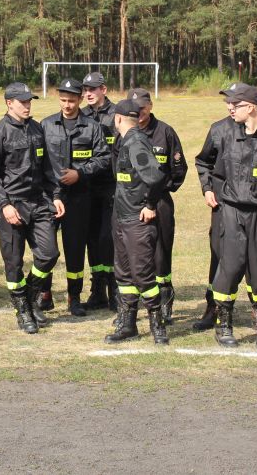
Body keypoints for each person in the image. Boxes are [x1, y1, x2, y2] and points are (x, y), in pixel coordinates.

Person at [195, 83, 257, 349]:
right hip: (231, 212)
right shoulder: (225, 134)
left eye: (236, 104)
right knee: (228, 267)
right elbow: (210, 166)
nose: (230, 108)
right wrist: (210, 190)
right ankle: (223, 325)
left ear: (250, 107)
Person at [0, 83, 66, 334]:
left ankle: (30, 296)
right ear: (9, 103)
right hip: (12, 205)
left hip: (38, 202)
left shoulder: (37, 129)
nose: (27, 106)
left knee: (49, 254)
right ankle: (23, 311)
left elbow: (48, 167)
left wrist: (56, 196)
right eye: (23, 102)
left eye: (29, 101)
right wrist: (4, 204)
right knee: (14, 262)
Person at [40, 78, 111, 315]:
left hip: (79, 197)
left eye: (71, 101)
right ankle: (44, 294)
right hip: (49, 197)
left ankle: (74, 297)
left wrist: (80, 173)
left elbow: (103, 158)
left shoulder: (92, 127)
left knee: (75, 249)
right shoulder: (46, 125)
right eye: (63, 100)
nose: (67, 105)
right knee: (45, 248)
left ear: (80, 99)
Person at [104, 98, 169, 344]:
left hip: (136, 220)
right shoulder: (124, 141)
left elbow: (155, 177)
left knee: (142, 275)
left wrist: (150, 205)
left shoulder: (136, 143)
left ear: (118, 118)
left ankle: (157, 325)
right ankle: (127, 324)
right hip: (121, 216)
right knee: (124, 274)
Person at [127, 87, 186, 325]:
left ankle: (164, 302)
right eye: (134, 109)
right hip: (132, 202)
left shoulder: (165, 132)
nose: (138, 112)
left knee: (161, 253)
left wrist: (161, 189)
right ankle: (130, 307)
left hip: (160, 202)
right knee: (132, 254)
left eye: (142, 107)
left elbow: (179, 168)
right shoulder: (125, 133)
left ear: (150, 106)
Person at [80, 72, 118, 310]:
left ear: (103, 89)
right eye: (85, 89)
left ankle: (115, 289)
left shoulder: (117, 115)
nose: (88, 93)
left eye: (92, 89)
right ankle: (97, 290)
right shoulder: (81, 115)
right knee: (92, 238)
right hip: (87, 185)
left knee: (109, 238)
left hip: (111, 186)